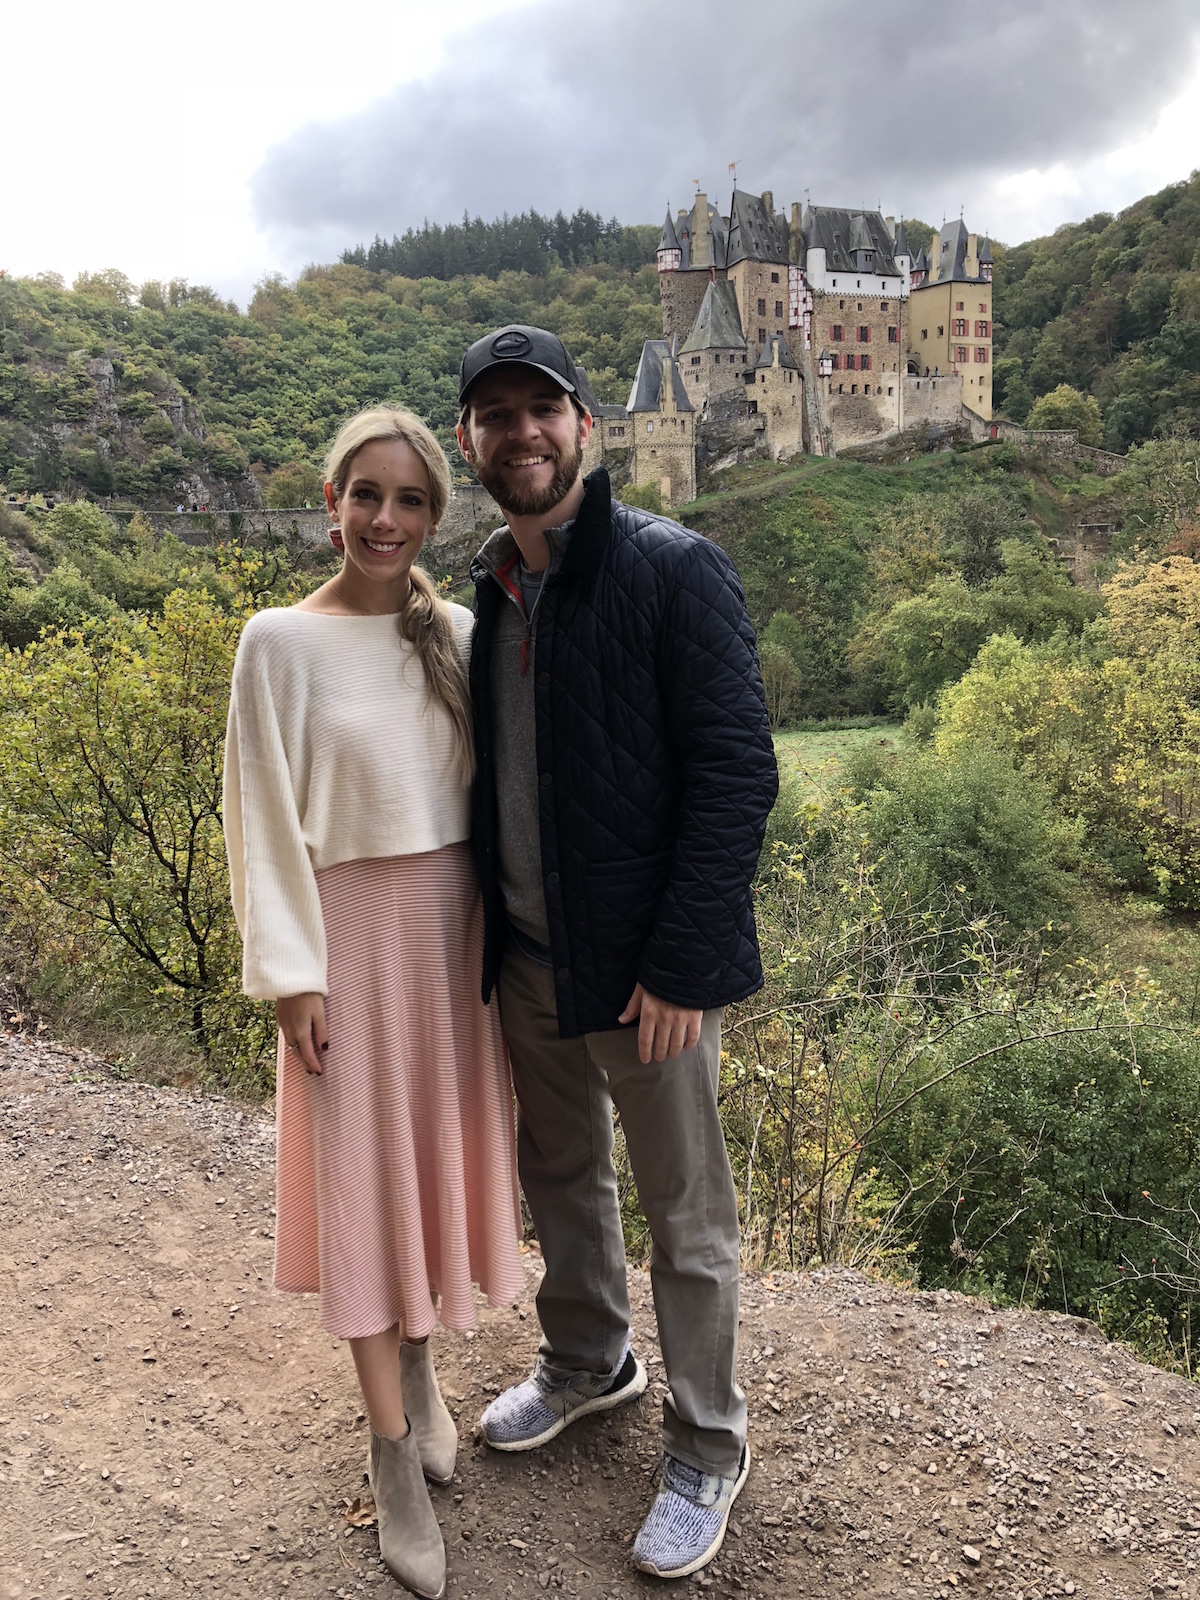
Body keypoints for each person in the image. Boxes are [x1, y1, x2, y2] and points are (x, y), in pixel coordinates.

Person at [456, 326, 778, 1579]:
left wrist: (687, 961)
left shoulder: (671, 567)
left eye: (543, 408)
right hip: (532, 955)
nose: (521, 431)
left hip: (650, 971)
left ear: (587, 427)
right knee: (565, 1181)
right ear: (473, 441)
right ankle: (590, 1361)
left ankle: (707, 1440)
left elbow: (735, 771)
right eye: (495, 414)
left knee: (687, 1215)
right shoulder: (491, 588)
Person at [223, 406, 524, 1600]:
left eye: (409, 500)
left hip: (453, 937)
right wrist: (291, 975)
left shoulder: (456, 630)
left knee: (430, 1163)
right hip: (343, 936)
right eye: (366, 495)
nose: (385, 520)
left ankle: (424, 1364)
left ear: (434, 514)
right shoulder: (276, 644)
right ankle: (391, 1450)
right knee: (360, 1178)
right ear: (332, 501)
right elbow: (257, 817)